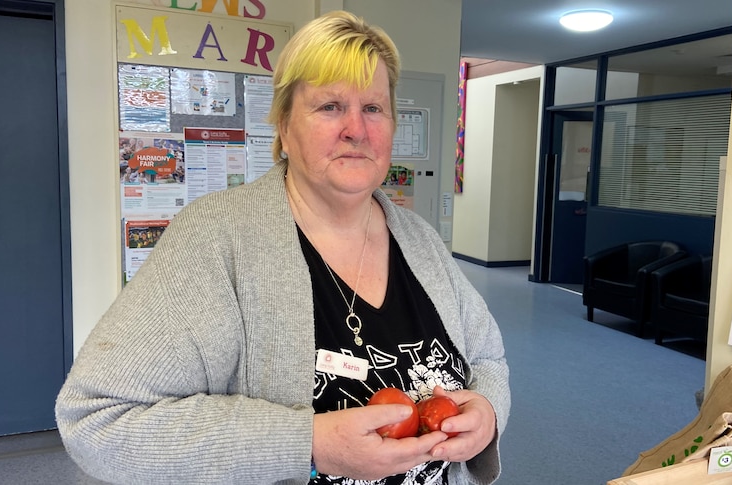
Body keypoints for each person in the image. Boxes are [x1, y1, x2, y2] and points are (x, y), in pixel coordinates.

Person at [56, 10, 509, 485]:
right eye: (330, 106)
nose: (357, 128)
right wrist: (306, 444)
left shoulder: (421, 241)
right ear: (284, 126)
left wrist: (487, 412)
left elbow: (487, 360)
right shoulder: (217, 239)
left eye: (373, 108)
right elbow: (98, 420)